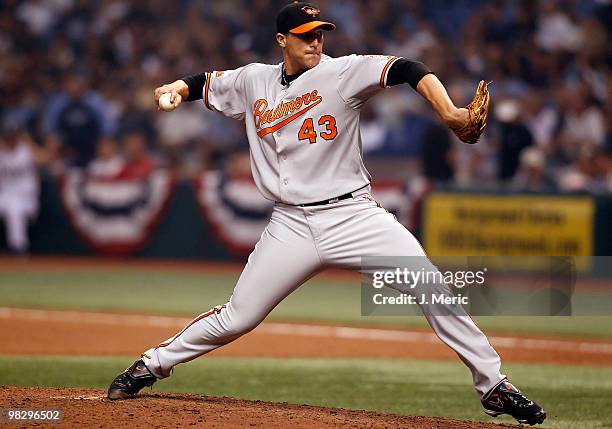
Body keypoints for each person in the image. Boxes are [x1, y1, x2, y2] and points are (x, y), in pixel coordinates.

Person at [108, 3, 546, 425]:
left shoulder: (342, 72)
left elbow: (408, 68)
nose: (315, 42)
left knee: (428, 284)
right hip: (291, 224)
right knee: (239, 316)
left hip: (353, 215)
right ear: (282, 39)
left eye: (320, 34)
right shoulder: (253, 80)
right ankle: (151, 365)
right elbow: (203, 82)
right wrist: (174, 89)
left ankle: (493, 385)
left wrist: (449, 110)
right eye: (304, 36)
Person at [0, 122, 39, 254]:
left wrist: (29, 142)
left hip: (26, 198)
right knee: (11, 205)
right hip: (4, 196)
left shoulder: (26, 150)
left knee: (14, 209)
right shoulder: (1, 152)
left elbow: (44, 159)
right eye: (7, 136)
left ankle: (19, 248)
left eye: (13, 136)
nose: (10, 139)